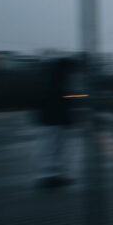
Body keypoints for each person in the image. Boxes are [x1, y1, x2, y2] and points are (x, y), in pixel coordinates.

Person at [37, 57, 78, 187]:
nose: (72, 73)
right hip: (55, 121)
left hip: (51, 120)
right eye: (71, 70)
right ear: (66, 69)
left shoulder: (52, 79)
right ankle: (50, 177)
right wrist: (69, 119)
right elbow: (59, 103)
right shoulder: (57, 82)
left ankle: (55, 176)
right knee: (54, 148)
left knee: (54, 148)